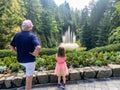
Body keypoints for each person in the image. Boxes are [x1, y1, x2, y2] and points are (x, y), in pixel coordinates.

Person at [10, 20, 41, 90]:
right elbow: (38, 47)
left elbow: (11, 46)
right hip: (29, 61)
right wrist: (34, 54)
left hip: (20, 60)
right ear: (30, 27)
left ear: (22, 26)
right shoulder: (32, 36)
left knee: (28, 76)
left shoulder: (17, 35)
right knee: (29, 79)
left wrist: (16, 52)